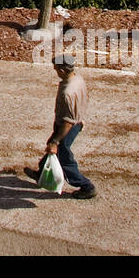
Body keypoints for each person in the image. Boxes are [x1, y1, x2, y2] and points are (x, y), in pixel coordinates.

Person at [27, 54, 97, 199]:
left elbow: (67, 123)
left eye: (56, 69)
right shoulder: (78, 79)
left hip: (68, 127)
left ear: (63, 71)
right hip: (76, 121)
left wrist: (56, 141)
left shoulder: (67, 92)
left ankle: (86, 186)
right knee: (52, 149)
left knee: (62, 156)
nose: (56, 72)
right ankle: (41, 173)